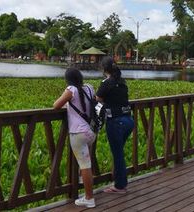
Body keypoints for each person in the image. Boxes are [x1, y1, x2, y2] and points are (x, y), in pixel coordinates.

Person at [53, 67, 97, 208]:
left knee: (85, 165)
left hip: (78, 133)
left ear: (68, 79)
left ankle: (89, 198)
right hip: (91, 133)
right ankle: (83, 186)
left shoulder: (71, 89)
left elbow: (56, 106)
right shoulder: (89, 88)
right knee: (85, 164)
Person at [96, 57, 134, 194]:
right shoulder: (122, 82)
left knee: (118, 154)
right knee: (118, 152)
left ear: (103, 69)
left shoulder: (106, 82)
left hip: (116, 122)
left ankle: (120, 186)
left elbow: (98, 98)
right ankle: (118, 179)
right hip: (129, 120)